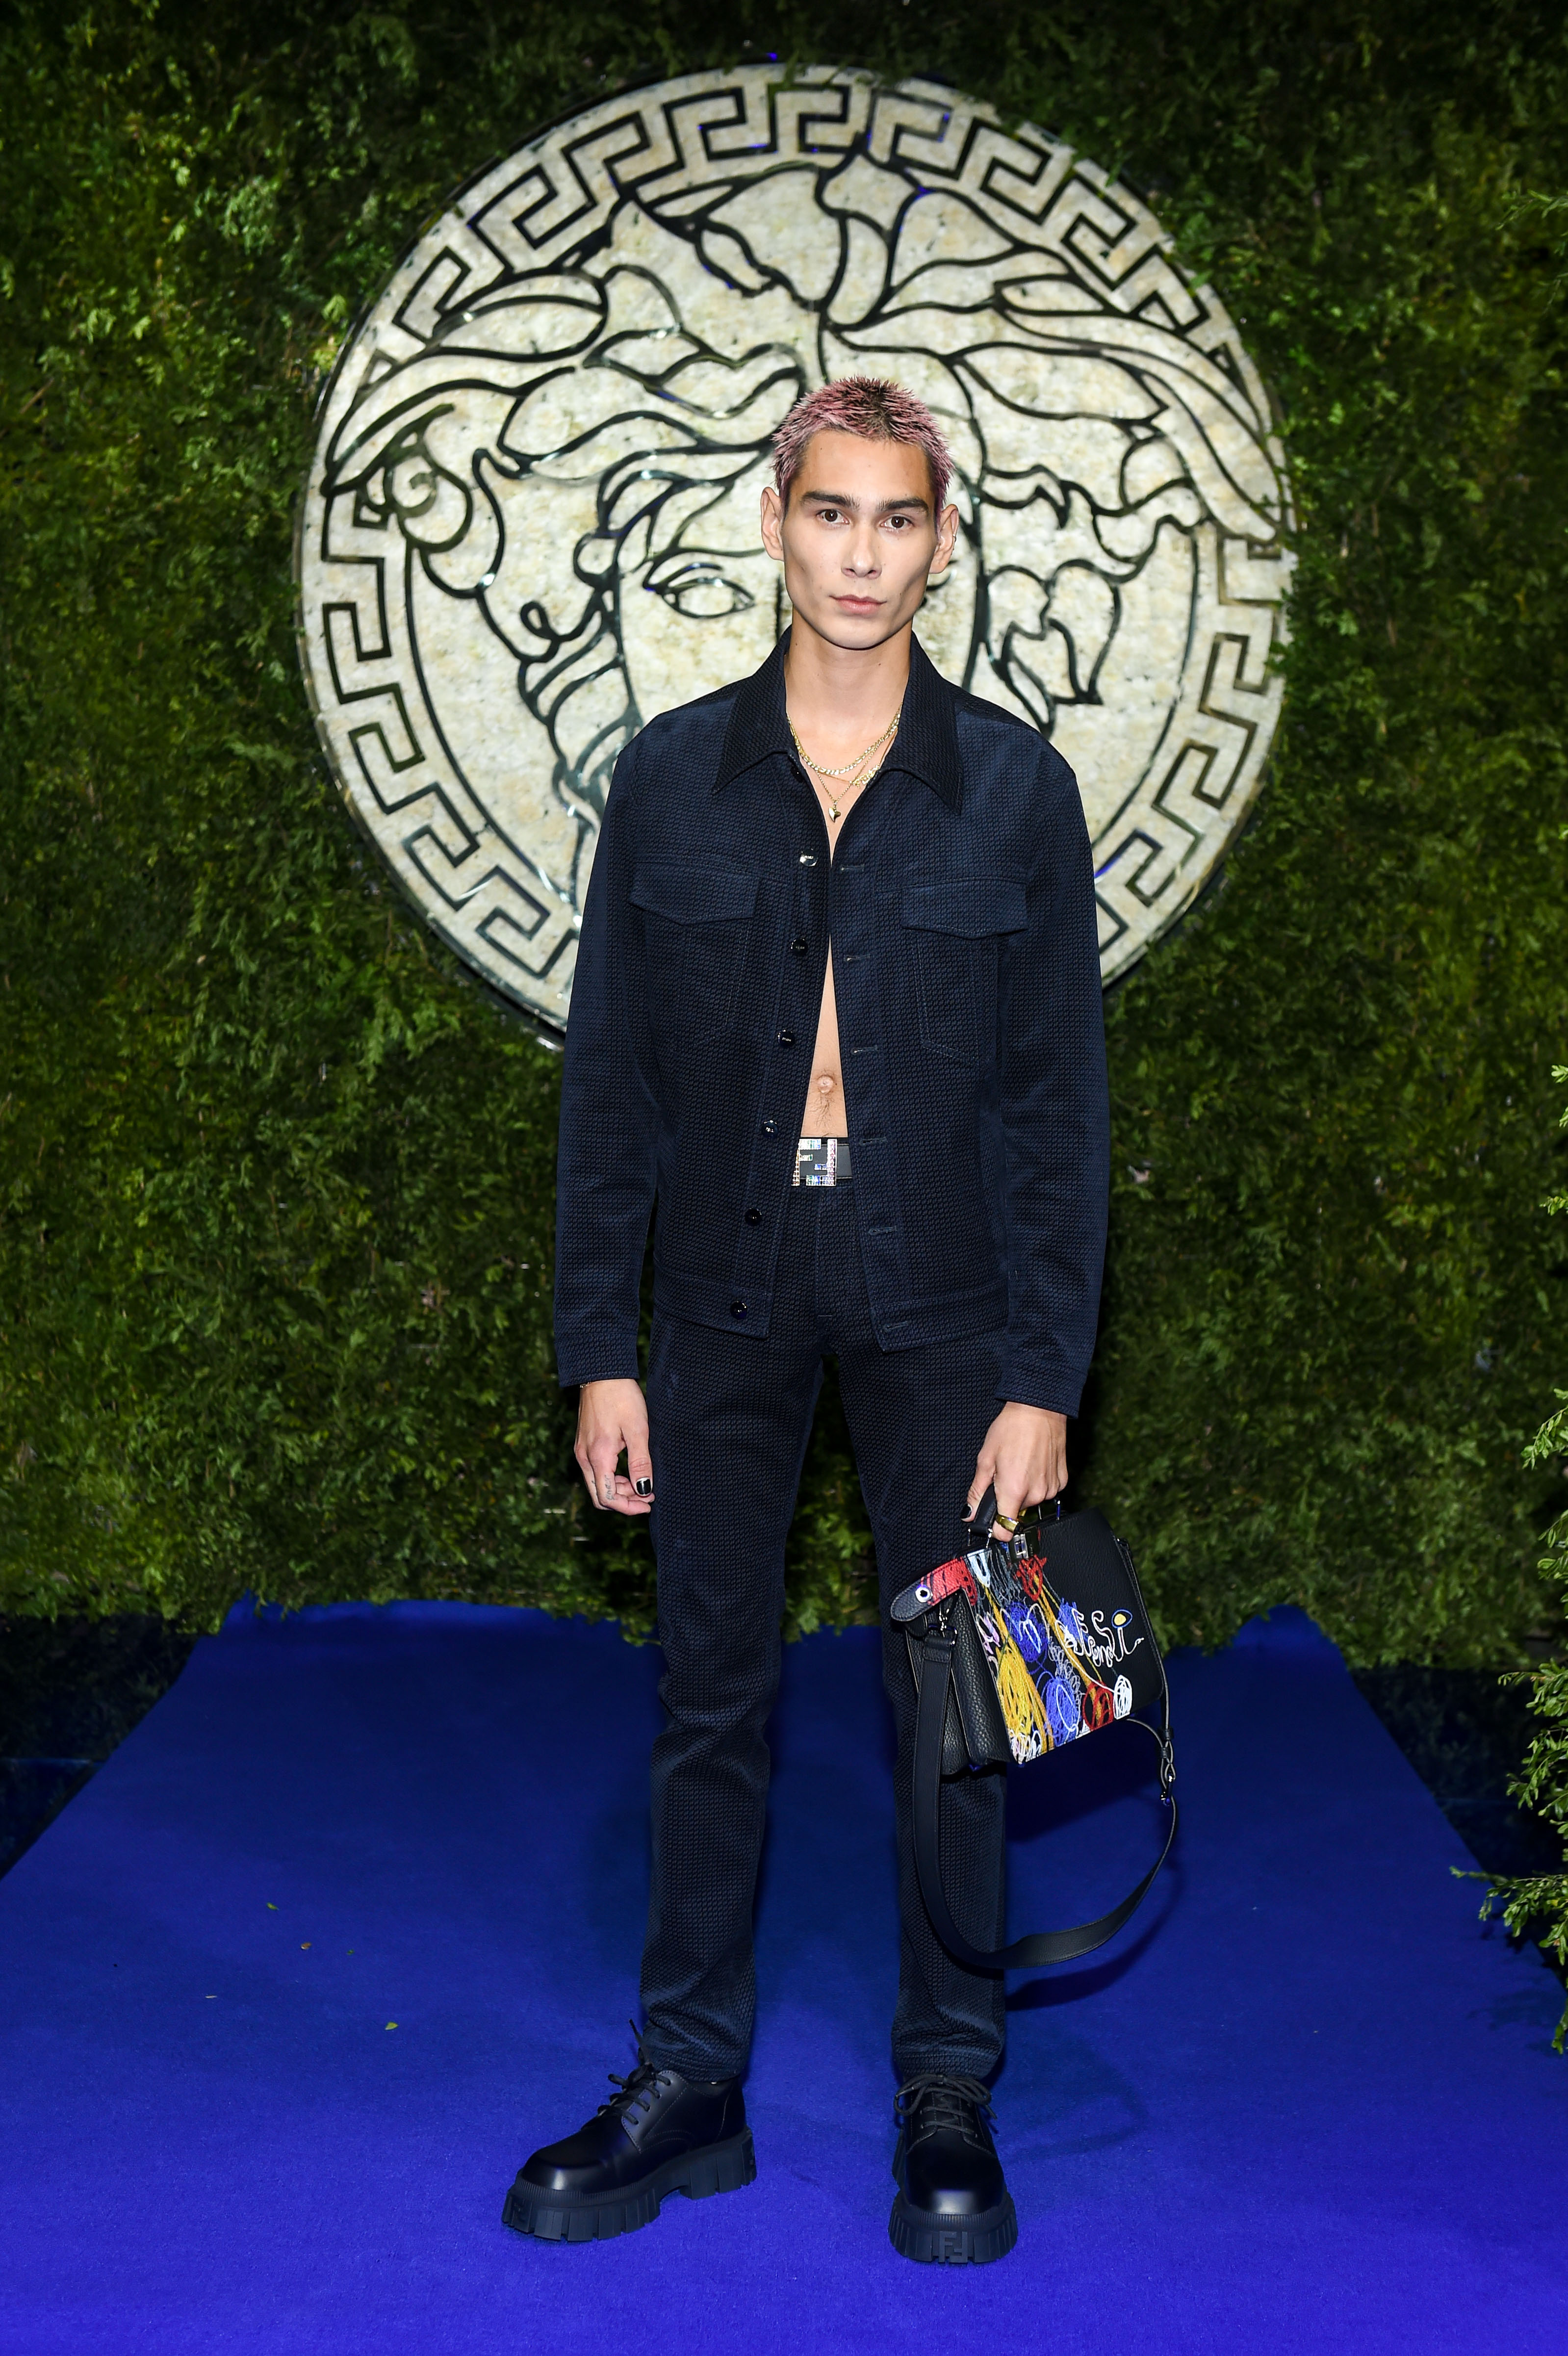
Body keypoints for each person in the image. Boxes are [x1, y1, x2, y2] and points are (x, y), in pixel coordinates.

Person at [504, 376, 1109, 2265]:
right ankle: (689, 2075)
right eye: (830, 513)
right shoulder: (670, 777)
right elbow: (612, 1086)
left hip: (947, 1302)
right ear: (775, 524)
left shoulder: (1016, 791)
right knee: (709, 1694)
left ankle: (948, 2086)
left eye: (897, 518)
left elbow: (1059, 1107)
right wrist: (601, 1343)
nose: (862, 554)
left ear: (941, 542)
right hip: (722, 1290)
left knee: (959, 1708)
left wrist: (1045, 1373)